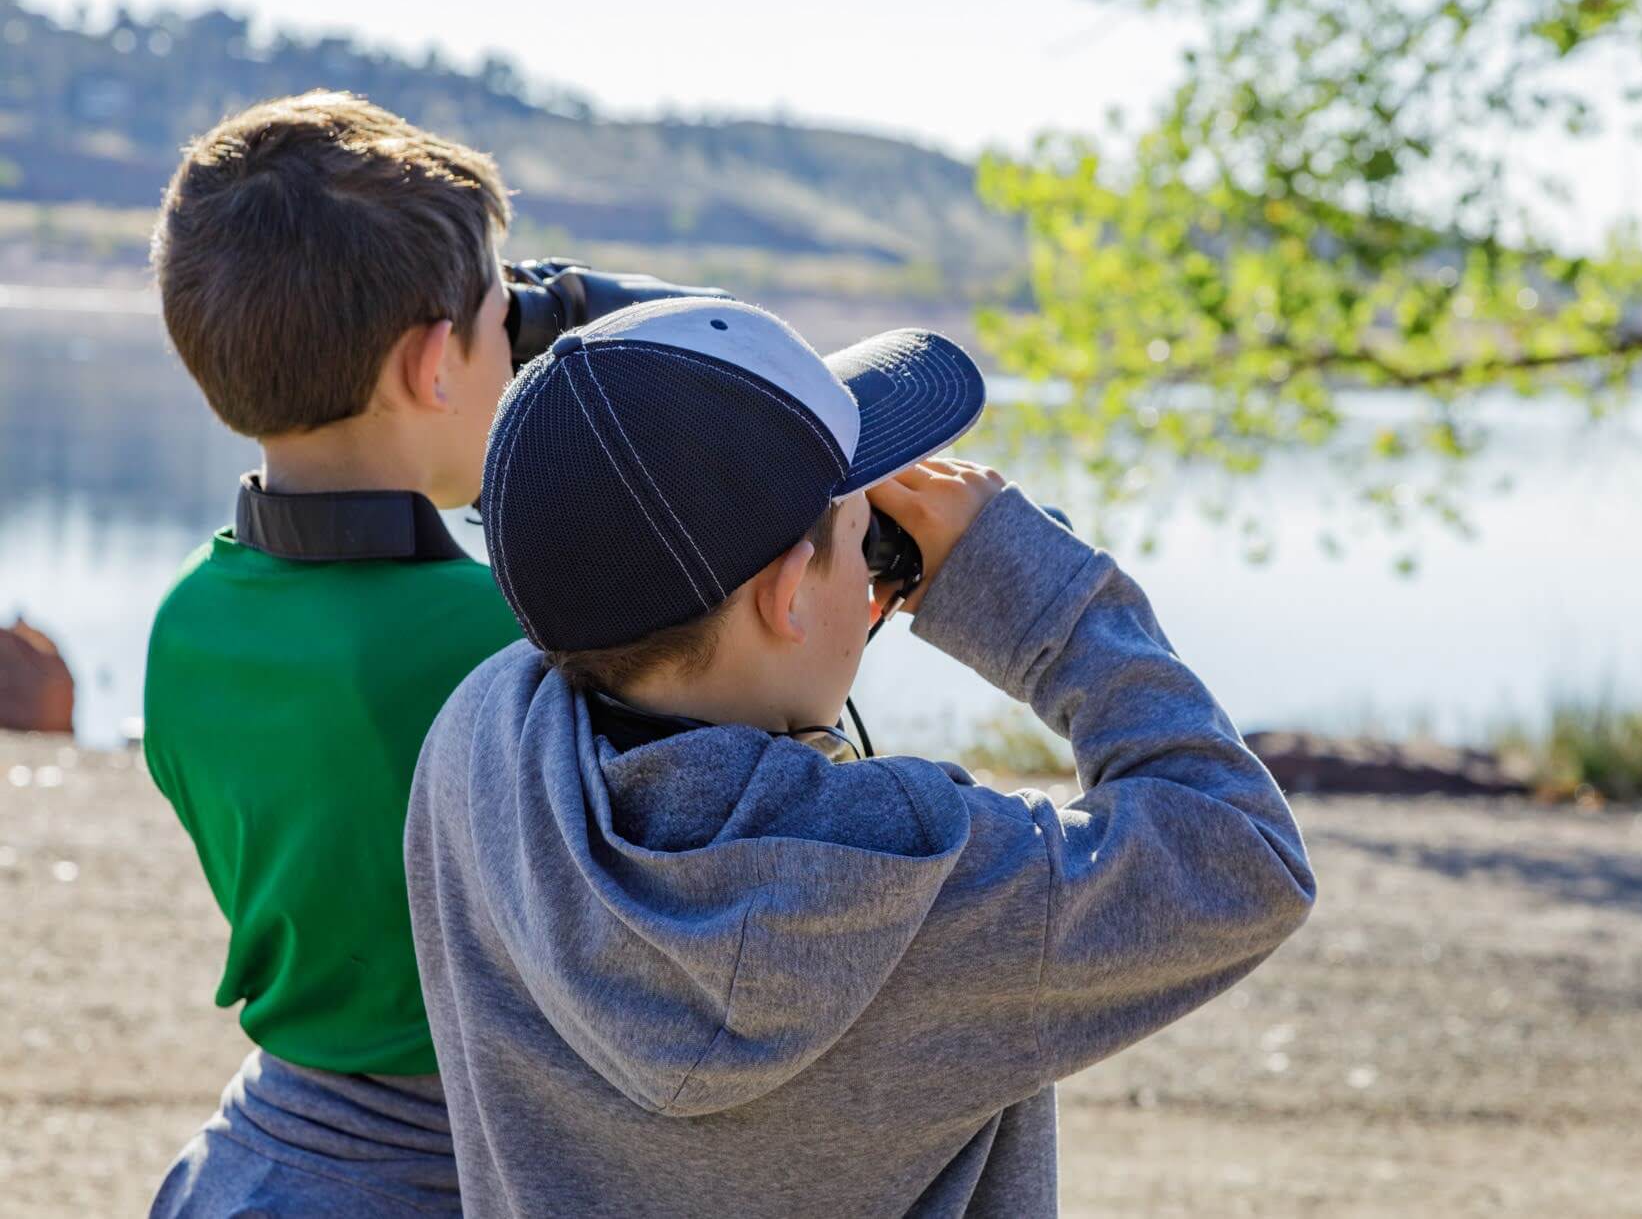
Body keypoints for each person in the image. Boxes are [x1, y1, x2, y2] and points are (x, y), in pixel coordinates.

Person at [405, 296, 1318, 1216]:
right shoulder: (922, 884)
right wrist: (1044, 599)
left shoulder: (480, 748)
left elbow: (607, 570)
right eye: (861, 538)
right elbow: (1242, 850)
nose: (880, 567)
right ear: (789, 591)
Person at [143, 91, 521, 1216]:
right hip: (447, 1162)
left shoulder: (186, 624)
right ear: (429, 364)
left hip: (259, 1149)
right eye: (504, 321)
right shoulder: (500, 638)